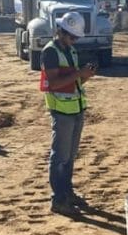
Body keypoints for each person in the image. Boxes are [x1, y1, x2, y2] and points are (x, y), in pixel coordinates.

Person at [40, 11, 96, 215]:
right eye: (72, 37)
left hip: (76, 108)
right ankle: (58, 199)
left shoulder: (70, 51)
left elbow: (75, 81)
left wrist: (85, 75)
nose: (74, 41)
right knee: (60, 157)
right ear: (61, 32)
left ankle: (67, 192)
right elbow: (54, 83)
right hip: (61, 111)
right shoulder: (50, 52)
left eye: (76, 38)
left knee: (70, 156)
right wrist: (79, 73)